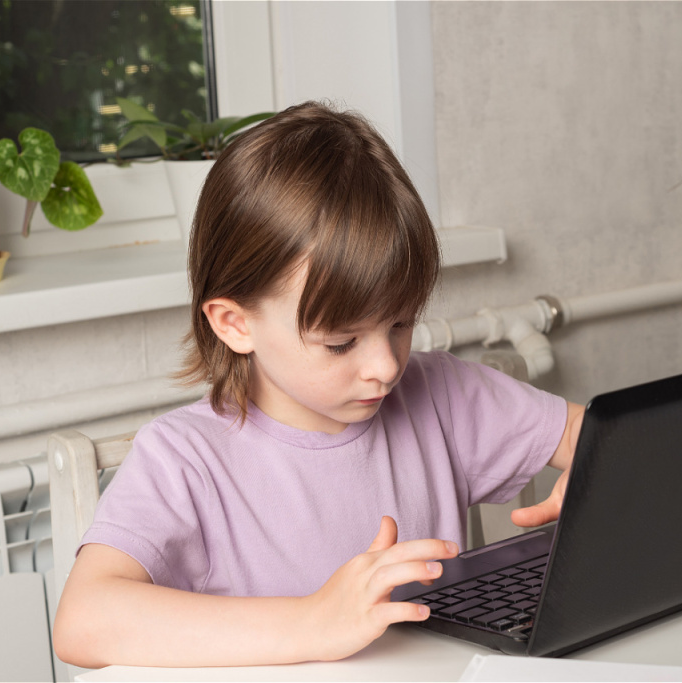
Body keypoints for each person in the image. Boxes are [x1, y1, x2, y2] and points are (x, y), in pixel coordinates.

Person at [52, 101, 584, 669]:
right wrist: (316, 618)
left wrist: (598, 467)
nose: (385, 365)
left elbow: (598, 436)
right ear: (235, 324)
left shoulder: (442, 394)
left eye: (401, 323)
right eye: (340, 342)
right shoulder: (186, 459)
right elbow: (83, 622)